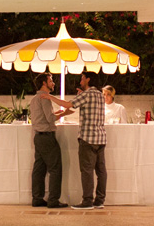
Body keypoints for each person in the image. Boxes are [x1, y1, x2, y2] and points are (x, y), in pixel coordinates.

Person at [39, 70, 106, 210]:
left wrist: (50, 98)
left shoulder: (87, 94)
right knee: (101, 171)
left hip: (88, 137)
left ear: (88, 79)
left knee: (87, 170)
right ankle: (99, 200)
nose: (80, 81)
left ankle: (87, 201)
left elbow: (68, 105)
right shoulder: (100, 94)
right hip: (100, 137)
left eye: (82, 78)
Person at [28, 73, 73, 208]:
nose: (53, 83)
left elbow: (45, 116)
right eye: (51, 80)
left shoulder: (35, 98)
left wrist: (61, 113)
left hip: (38, 137)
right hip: (47, 137)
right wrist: (64, 113)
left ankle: (37, 198)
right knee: (55, 168)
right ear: (44, 83)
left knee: (39, 169)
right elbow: (50, 118)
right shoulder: (45, 98)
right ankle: (53, 200)